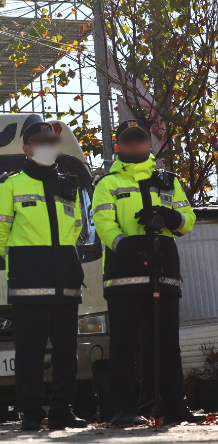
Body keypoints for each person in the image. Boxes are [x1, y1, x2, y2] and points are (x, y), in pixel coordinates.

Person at [92, 119, 203, 426]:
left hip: (163, 270)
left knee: (167, 344)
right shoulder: (107, 184)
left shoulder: (169, 181)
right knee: (124, 346)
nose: (135, 145)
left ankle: (175, 408)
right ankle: (125, 410)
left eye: (140, 140)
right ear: (118, 147)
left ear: (148, 144)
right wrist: (126, 247)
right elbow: (103, 224)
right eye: (128, 141)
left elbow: (188, 220)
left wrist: (168, 215)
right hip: (123, 274)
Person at [0, 121, 87, 431]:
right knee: (29, 355)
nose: (47, 146)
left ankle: (62, 409)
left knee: (66, 354)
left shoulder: (69, 186)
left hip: (66, 283)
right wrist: (26, 261)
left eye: (51, 141)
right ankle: (30, 412)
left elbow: (77, 230)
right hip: (28, 285)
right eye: (40, 141)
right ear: (26, 149)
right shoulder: (9, 187)